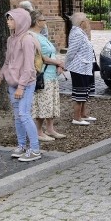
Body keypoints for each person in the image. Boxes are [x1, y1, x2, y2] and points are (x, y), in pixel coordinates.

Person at [3, 8, 43, 162]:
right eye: (8, 19)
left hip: (25, 83)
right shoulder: (11, 39)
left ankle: (35, 149)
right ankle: (22, 146)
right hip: (13, 82)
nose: (8, 22)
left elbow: (28, 67)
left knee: (24, 114)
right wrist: (0, 76)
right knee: (18, 116)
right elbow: (8, 62)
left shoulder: (27, 39)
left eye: (11, 19)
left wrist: (21, 86)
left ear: (21, 21)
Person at [28, 11, 65, 143]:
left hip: (51, 74)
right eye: (43, 20)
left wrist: (58, 64)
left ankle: (50, 129)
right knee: (43, 104)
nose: (45, 22)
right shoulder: (32, 36)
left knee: (51, 103)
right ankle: (39, 131)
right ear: (37, 22)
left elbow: (51, 53)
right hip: (43, 75)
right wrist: (58, 62)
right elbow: (40, 57)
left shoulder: (41, 35)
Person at [64, 12, 97, 126]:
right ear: (82, 22)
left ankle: (83, 114)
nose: (88, 21)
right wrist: (65, 65)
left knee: (85, 92)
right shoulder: (77, 33)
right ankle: (76, 118)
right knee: (80, 93)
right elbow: (71, 51)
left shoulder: (81, 33)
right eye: (86, 20)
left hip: (85, 67)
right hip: (79, 68)